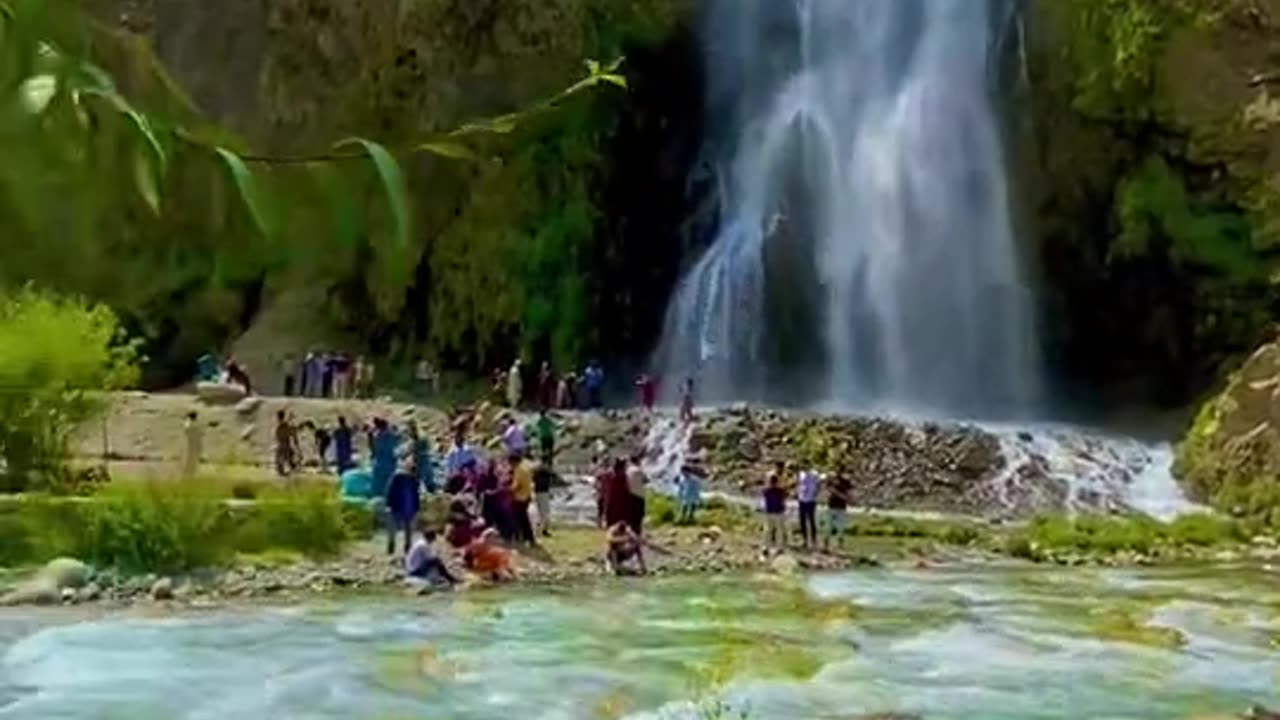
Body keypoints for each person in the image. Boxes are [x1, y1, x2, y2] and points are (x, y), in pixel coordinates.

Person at [385, 468, 420, 555]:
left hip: (403, 507)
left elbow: (389, 493)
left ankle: (397, 545)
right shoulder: (402, 478)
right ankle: (402, 545)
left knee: (398, 528)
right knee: (406, 528)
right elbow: (390, 493)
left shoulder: (408, 479)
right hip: (403, 507)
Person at [370, 418, 399, 500]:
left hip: (379, 462)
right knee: (389, 485)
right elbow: (397, 442)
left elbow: (374, 448)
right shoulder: (390, 435)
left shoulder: (377, 436)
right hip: (389, 462)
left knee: (378, 485)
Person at [510, 453, 536, 545]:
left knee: (521, 520)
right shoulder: (525, 467)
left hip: (520, 497)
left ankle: (525, 538)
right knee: (523, 519)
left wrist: (509, 490)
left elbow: (517, 485)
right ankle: (527, 538)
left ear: (513, 461)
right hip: (526, 495)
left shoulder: (519, 470)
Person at [762, 467, 787, 552]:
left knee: (767, 530)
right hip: (778, 512)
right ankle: (779, 547)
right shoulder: (780, 490)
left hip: (769, 512)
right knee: (779, 530)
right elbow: (784, 497)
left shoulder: (766, 490)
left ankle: (766, 547)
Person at [407, 420, 435, 493]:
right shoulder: (416, 440)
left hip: (422, 463)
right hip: (422, 463)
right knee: (427, 482)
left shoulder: (420, 440)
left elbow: (416, 452)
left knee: (424, 482)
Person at [796, 467, 821, 549]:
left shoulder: (814, 473)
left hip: (811, 500)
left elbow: (818, 484)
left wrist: (815, 493)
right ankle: (805, 540)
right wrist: (798, 493)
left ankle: (813, 541)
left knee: (811, 520)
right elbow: (799, 484)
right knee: (802, 521)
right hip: (802, 500)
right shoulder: (800, 473)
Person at [825, 474, 851, 552]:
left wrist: (840, 495)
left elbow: (848, 495)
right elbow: (827, 488)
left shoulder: (846, 481)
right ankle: (826, 545)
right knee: (829, 527)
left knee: (840, 528)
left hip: (841, 507)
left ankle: (839, 546)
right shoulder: (831, 480)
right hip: (832, 506)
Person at [602, 458, 631, 530]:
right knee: (619, 515)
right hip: (619, 499)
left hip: (611, 498)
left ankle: (611, 528)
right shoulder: (622, 475)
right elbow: (626, 487)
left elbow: (604, 485)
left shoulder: (608, 474)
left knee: (611, 514)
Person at [625, 453, 649, 536]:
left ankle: (630, 535)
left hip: (629, 496)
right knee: (638, 518)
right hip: (639, 496)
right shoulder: (639, 470)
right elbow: (646, 480)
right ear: (637, 461)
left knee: (631, 519)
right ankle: (638, 536)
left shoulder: (627, 471)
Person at [532, 461, 555, 537]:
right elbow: (552, 474)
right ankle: (542, 530)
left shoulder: (537, 472)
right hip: (542, 493)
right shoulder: (545, 473)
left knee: (541, 512)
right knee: (544, 512)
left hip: (539, 492)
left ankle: (542, 529)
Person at [274, 410, 297, 477]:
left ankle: (283, 471)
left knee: (282, 458)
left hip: (282, 443)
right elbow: (289, 431)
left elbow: (282, 433)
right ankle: (286, 471)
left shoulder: (281, 425)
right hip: (284, 443)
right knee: (286, 457)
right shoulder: (283, 424)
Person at [182, 411, 203, 479]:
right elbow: (201, 433)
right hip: (195, 443)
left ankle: (188, 473)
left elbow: (186, 432)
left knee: (189, 458)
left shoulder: (188, 424)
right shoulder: (197, 424)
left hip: (190, 443)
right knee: (193, 459)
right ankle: (191, 473)